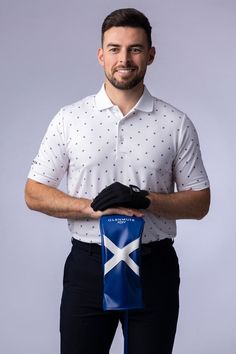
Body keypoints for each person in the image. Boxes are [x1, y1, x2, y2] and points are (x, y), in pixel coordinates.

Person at [25, 8, 210, 354]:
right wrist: (88, 207)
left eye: (135, 49)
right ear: (100, 55)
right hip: (88, 269)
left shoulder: (175, 123)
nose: (124, 59)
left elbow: (200, 201)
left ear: (150, 54)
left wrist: (147, 199)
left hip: (153, 267)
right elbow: (34, 192)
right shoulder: (69, 119)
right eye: (114, 48)